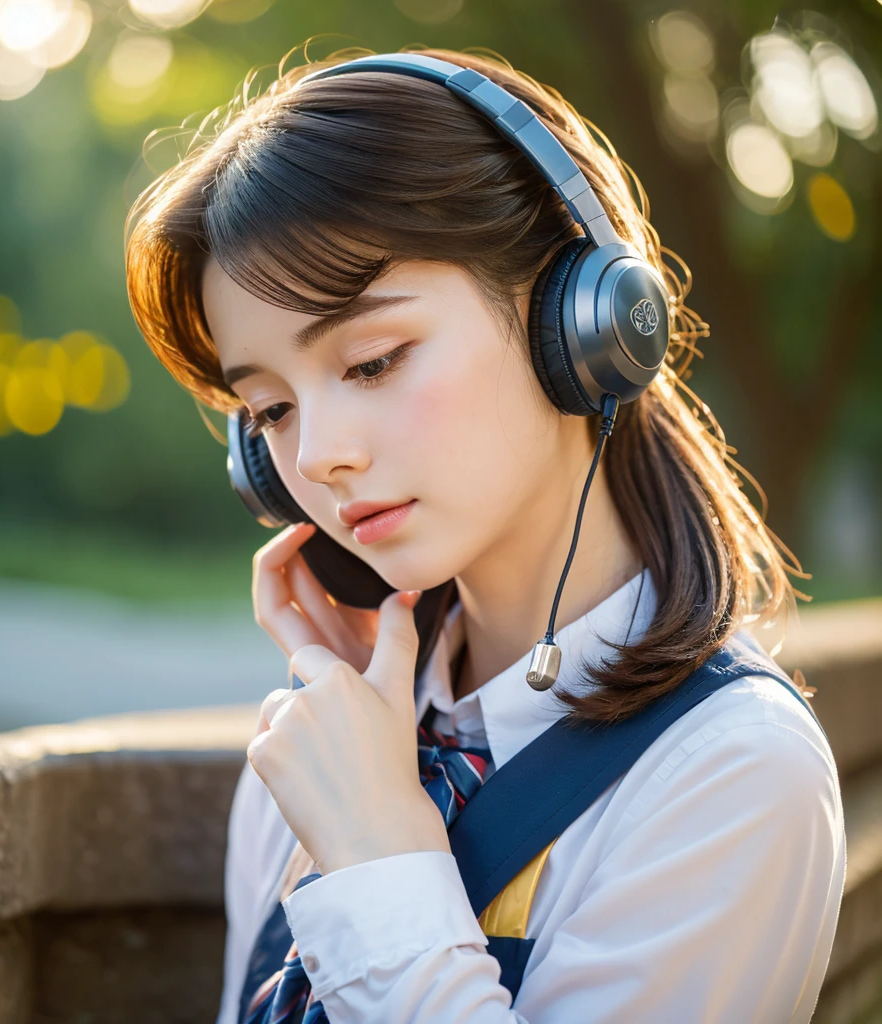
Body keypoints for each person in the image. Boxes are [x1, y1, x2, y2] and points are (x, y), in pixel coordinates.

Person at [123, 46, 846, 1024]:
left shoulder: (731, 777)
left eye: (373, 362)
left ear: (582, 325)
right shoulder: (323, 748)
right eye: (270, 411)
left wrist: (376, 855)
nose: (320, 454)